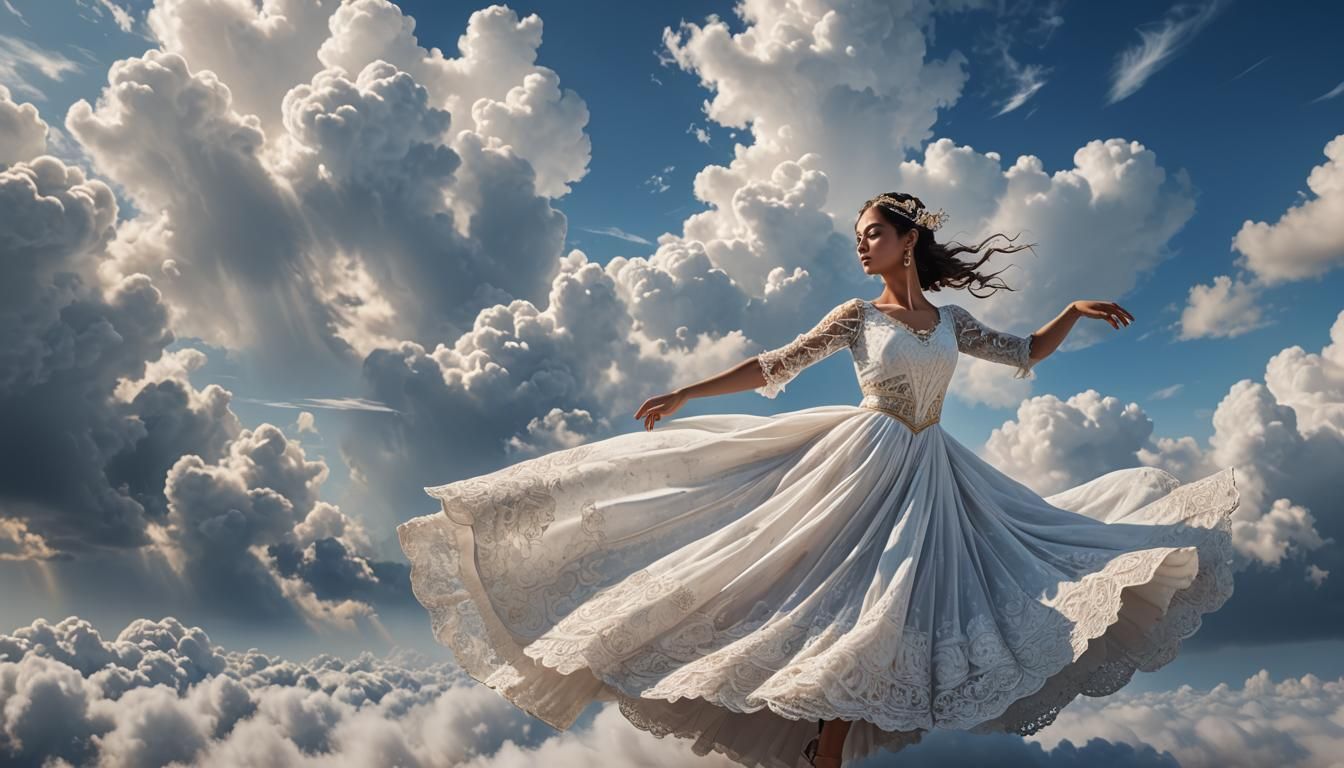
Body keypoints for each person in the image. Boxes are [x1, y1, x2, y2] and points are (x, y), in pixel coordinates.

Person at [397, 192, 1238, 768]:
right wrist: (689, 391)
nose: (862, 243)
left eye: (873, 232)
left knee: (898, 602)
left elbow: (1024, 354)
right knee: (829, 594)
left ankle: (827, 747)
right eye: (859, 237)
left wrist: (1076, 312)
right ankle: (821, 746)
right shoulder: (856, 316)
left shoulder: (948, 321)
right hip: (860, 460)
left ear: (908, 240)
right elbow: (774, 365)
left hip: (933, 472)